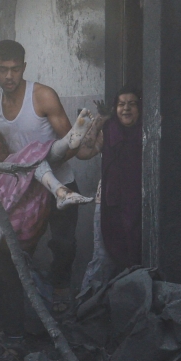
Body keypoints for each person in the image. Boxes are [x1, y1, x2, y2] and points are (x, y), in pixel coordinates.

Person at [0, 39, 91, 315]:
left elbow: (73, 143)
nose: (9, 76)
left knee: (64, 246)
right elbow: (6, 149)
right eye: (3, 69)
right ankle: (16, 323)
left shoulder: (43, 96)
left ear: (24, 68)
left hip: (60, 181)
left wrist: (41, 161)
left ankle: (62, 298)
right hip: (24, 191)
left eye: (15, 69)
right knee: (16, 253)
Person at [78, 85, 143, 290]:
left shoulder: (146, 131)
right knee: (103, 260)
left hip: (139, 205)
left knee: (137, 258)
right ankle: (84, 309)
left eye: (132, 104)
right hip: (108, 203)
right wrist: (100, 120)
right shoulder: (109, 131)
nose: (126, 109)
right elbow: (83, 152)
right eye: (121, 104)